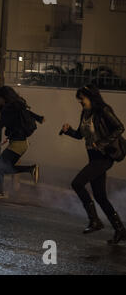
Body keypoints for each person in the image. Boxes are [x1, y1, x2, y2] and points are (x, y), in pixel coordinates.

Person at [61, 84, 126, 245]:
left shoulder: (103, 110)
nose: (80, 102)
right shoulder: (85, 113)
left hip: (104, 157)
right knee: (100, 196)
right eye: (79, 100)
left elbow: (119, 127)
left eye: (82, 99)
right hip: (93, 157)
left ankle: (94, 221)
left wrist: (103, 143)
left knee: (77, 183)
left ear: (91, 97)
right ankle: (120, 230)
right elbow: (80, 135)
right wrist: (68, 131)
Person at [0, 86, 44, 199]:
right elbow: (28, 113)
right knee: (4, 168)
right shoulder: (17, 106)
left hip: (17, 145)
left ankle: (0, 193)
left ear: (4, 97)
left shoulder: (8, 110)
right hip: (21, 143)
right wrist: (39, 118)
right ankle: (30, 169)